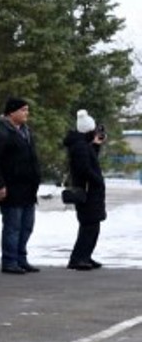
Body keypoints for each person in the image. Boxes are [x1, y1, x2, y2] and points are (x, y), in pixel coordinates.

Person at [0, 97, 42, 275]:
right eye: (23, 110)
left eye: (27, 110)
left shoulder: (25, 131)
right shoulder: (0, 132)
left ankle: (21, 258)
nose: (26, 113)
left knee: (27, 225)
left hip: (28, 188)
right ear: (12, 112)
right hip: (11, 187)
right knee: (13, 226)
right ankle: (9, 260)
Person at [64, 109, 107, 270]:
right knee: (89, 225)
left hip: (90, 190)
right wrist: (97, 180)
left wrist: (95, 146)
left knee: (92, 225)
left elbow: (90, 160)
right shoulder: (80, 146)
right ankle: (78, 258)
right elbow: (84, 168)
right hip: (87, 191)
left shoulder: (83, 145)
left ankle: (85, 255)